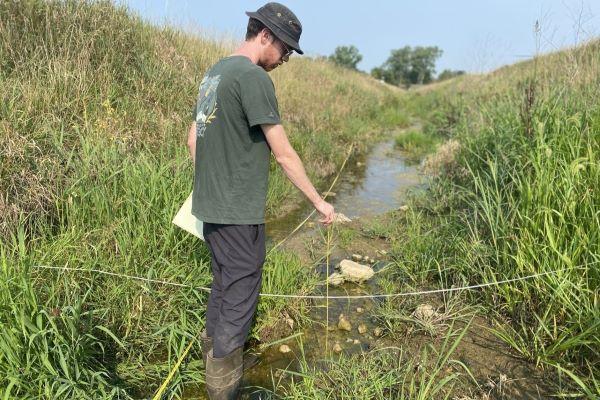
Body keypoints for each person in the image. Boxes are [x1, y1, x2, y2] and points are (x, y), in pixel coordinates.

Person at [186, 2, 335, 398]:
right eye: (285, 48)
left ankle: (212, 365)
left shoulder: (214, 74)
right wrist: (319, 202)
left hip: (210, 207)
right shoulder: (253, 78)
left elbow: (192, 141)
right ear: (264, 34)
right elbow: (283, 153)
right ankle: (224, 389)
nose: (285, 58)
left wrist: (210, 185)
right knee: (239, 297)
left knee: (222, 286)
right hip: (238, 211)